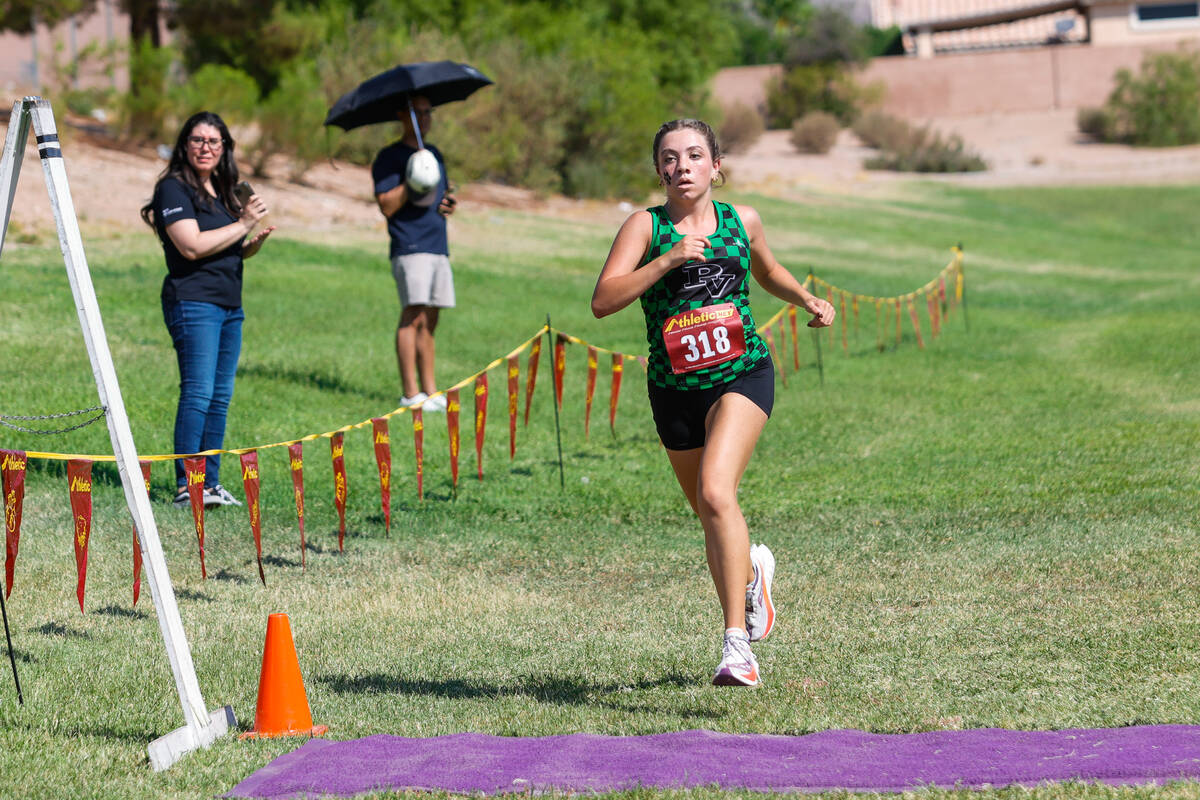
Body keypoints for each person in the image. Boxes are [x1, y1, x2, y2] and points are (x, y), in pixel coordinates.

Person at [591, 119, 835, 687]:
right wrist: (668, 261)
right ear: (659, 171)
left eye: (694, 155)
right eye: (670, 158)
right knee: (709, 513)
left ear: (716, 166)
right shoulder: (645, 227)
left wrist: (805, 298)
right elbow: (603, 300)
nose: (682, 167)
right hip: (674, 388)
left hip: (742, 373)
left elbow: (766, 270)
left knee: (715, 491)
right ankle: (752, 568)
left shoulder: (739, 220)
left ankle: (737, 647)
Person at [140, 111, 274, 508]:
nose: (206, 148)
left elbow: (221, 245)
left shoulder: (223, 189)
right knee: (198, 393)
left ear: (225, 149)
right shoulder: (173, 189)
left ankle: (210, 484)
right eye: (198, 140)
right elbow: (192, 246)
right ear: (185, 145)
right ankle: (186, 486)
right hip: (193, 301)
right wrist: (244, 223)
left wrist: (249, 244)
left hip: (230, 305)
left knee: (219, 396)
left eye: (214, 142)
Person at [371, 94, 458, 412]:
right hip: (410, 245)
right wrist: (412, 180)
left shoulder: (434, 153)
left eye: (428, 111)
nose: (424, 118)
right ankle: (410, 395)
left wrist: (446, 203)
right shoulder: (390, 157)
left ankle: (430, 391)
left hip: (437, 243)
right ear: (402, 116)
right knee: (413, 314)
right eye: (417, 112)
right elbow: (387, 206)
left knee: (431, 318)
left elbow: (439, 196)